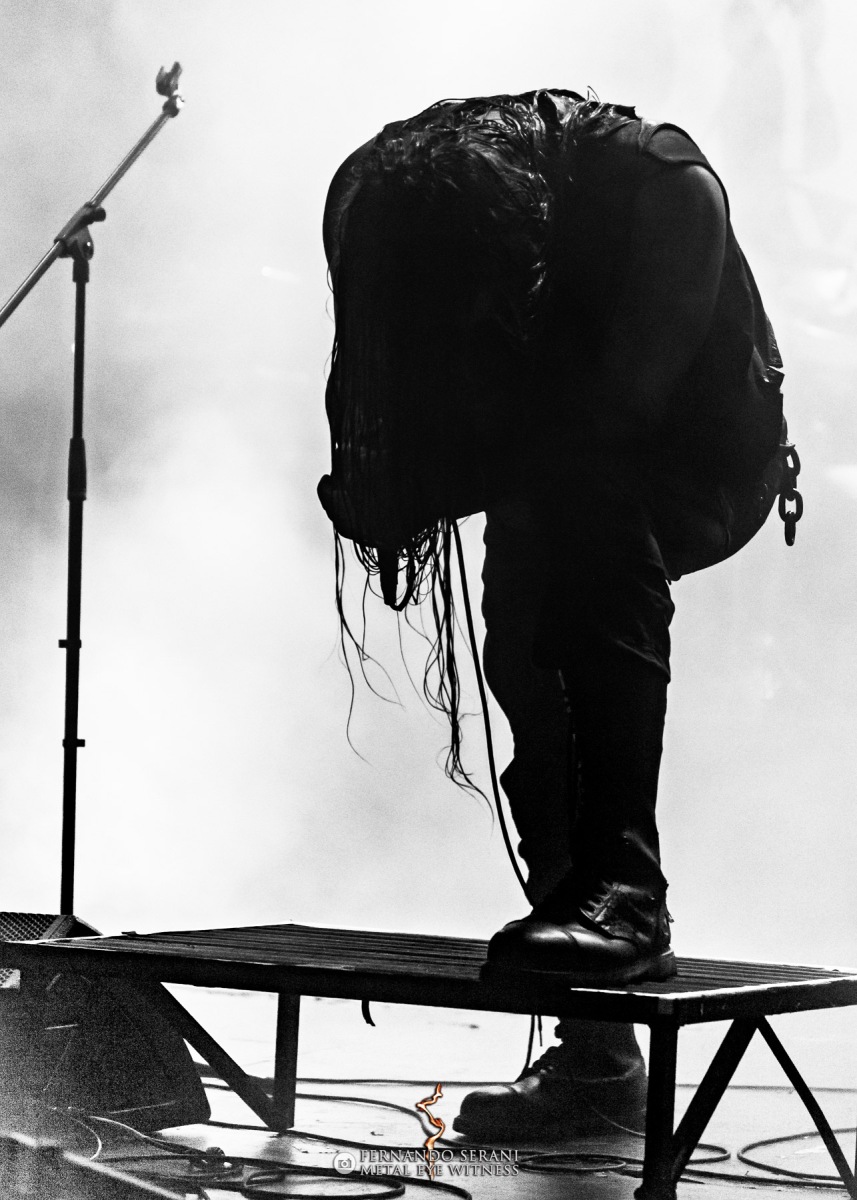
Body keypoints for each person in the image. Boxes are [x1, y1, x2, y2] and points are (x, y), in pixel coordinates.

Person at [318, 90, 789, 1141]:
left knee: (580, 532)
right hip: (560, 460)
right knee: (525, 655)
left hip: (700, 458)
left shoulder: (660, 189)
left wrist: (452, 476)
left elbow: (608, 420)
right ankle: (596, 1059)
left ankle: (624, 893)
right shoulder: (402, 208)